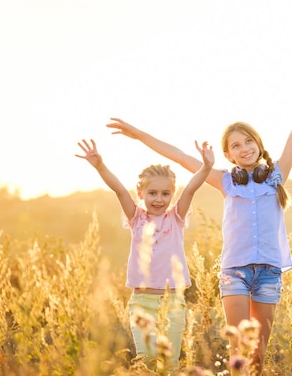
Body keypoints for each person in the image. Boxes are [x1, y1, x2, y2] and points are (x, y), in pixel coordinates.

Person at [106, 72, 292, 373]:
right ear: (227, 154)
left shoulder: (276, 177)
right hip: (234, 271)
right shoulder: (225, 182)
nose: (244, 148)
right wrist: (139, 134)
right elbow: (182, 157)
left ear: (258, 144)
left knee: (258, 354)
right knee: (238, 351)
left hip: (269, 272)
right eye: (236, 145)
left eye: (249, 141)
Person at [75, 138, 214, 370]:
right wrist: (100, 165)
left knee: (168, 364)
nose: (159, 199)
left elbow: (190, 188)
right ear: (140, 193)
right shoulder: (136, 218)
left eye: (165, 194)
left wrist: (206, 167)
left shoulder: (176, 218)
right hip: (142, 303)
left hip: (173, 304)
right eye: (152, 193)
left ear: (172, 194)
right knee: (147, 363)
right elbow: (119, 190)